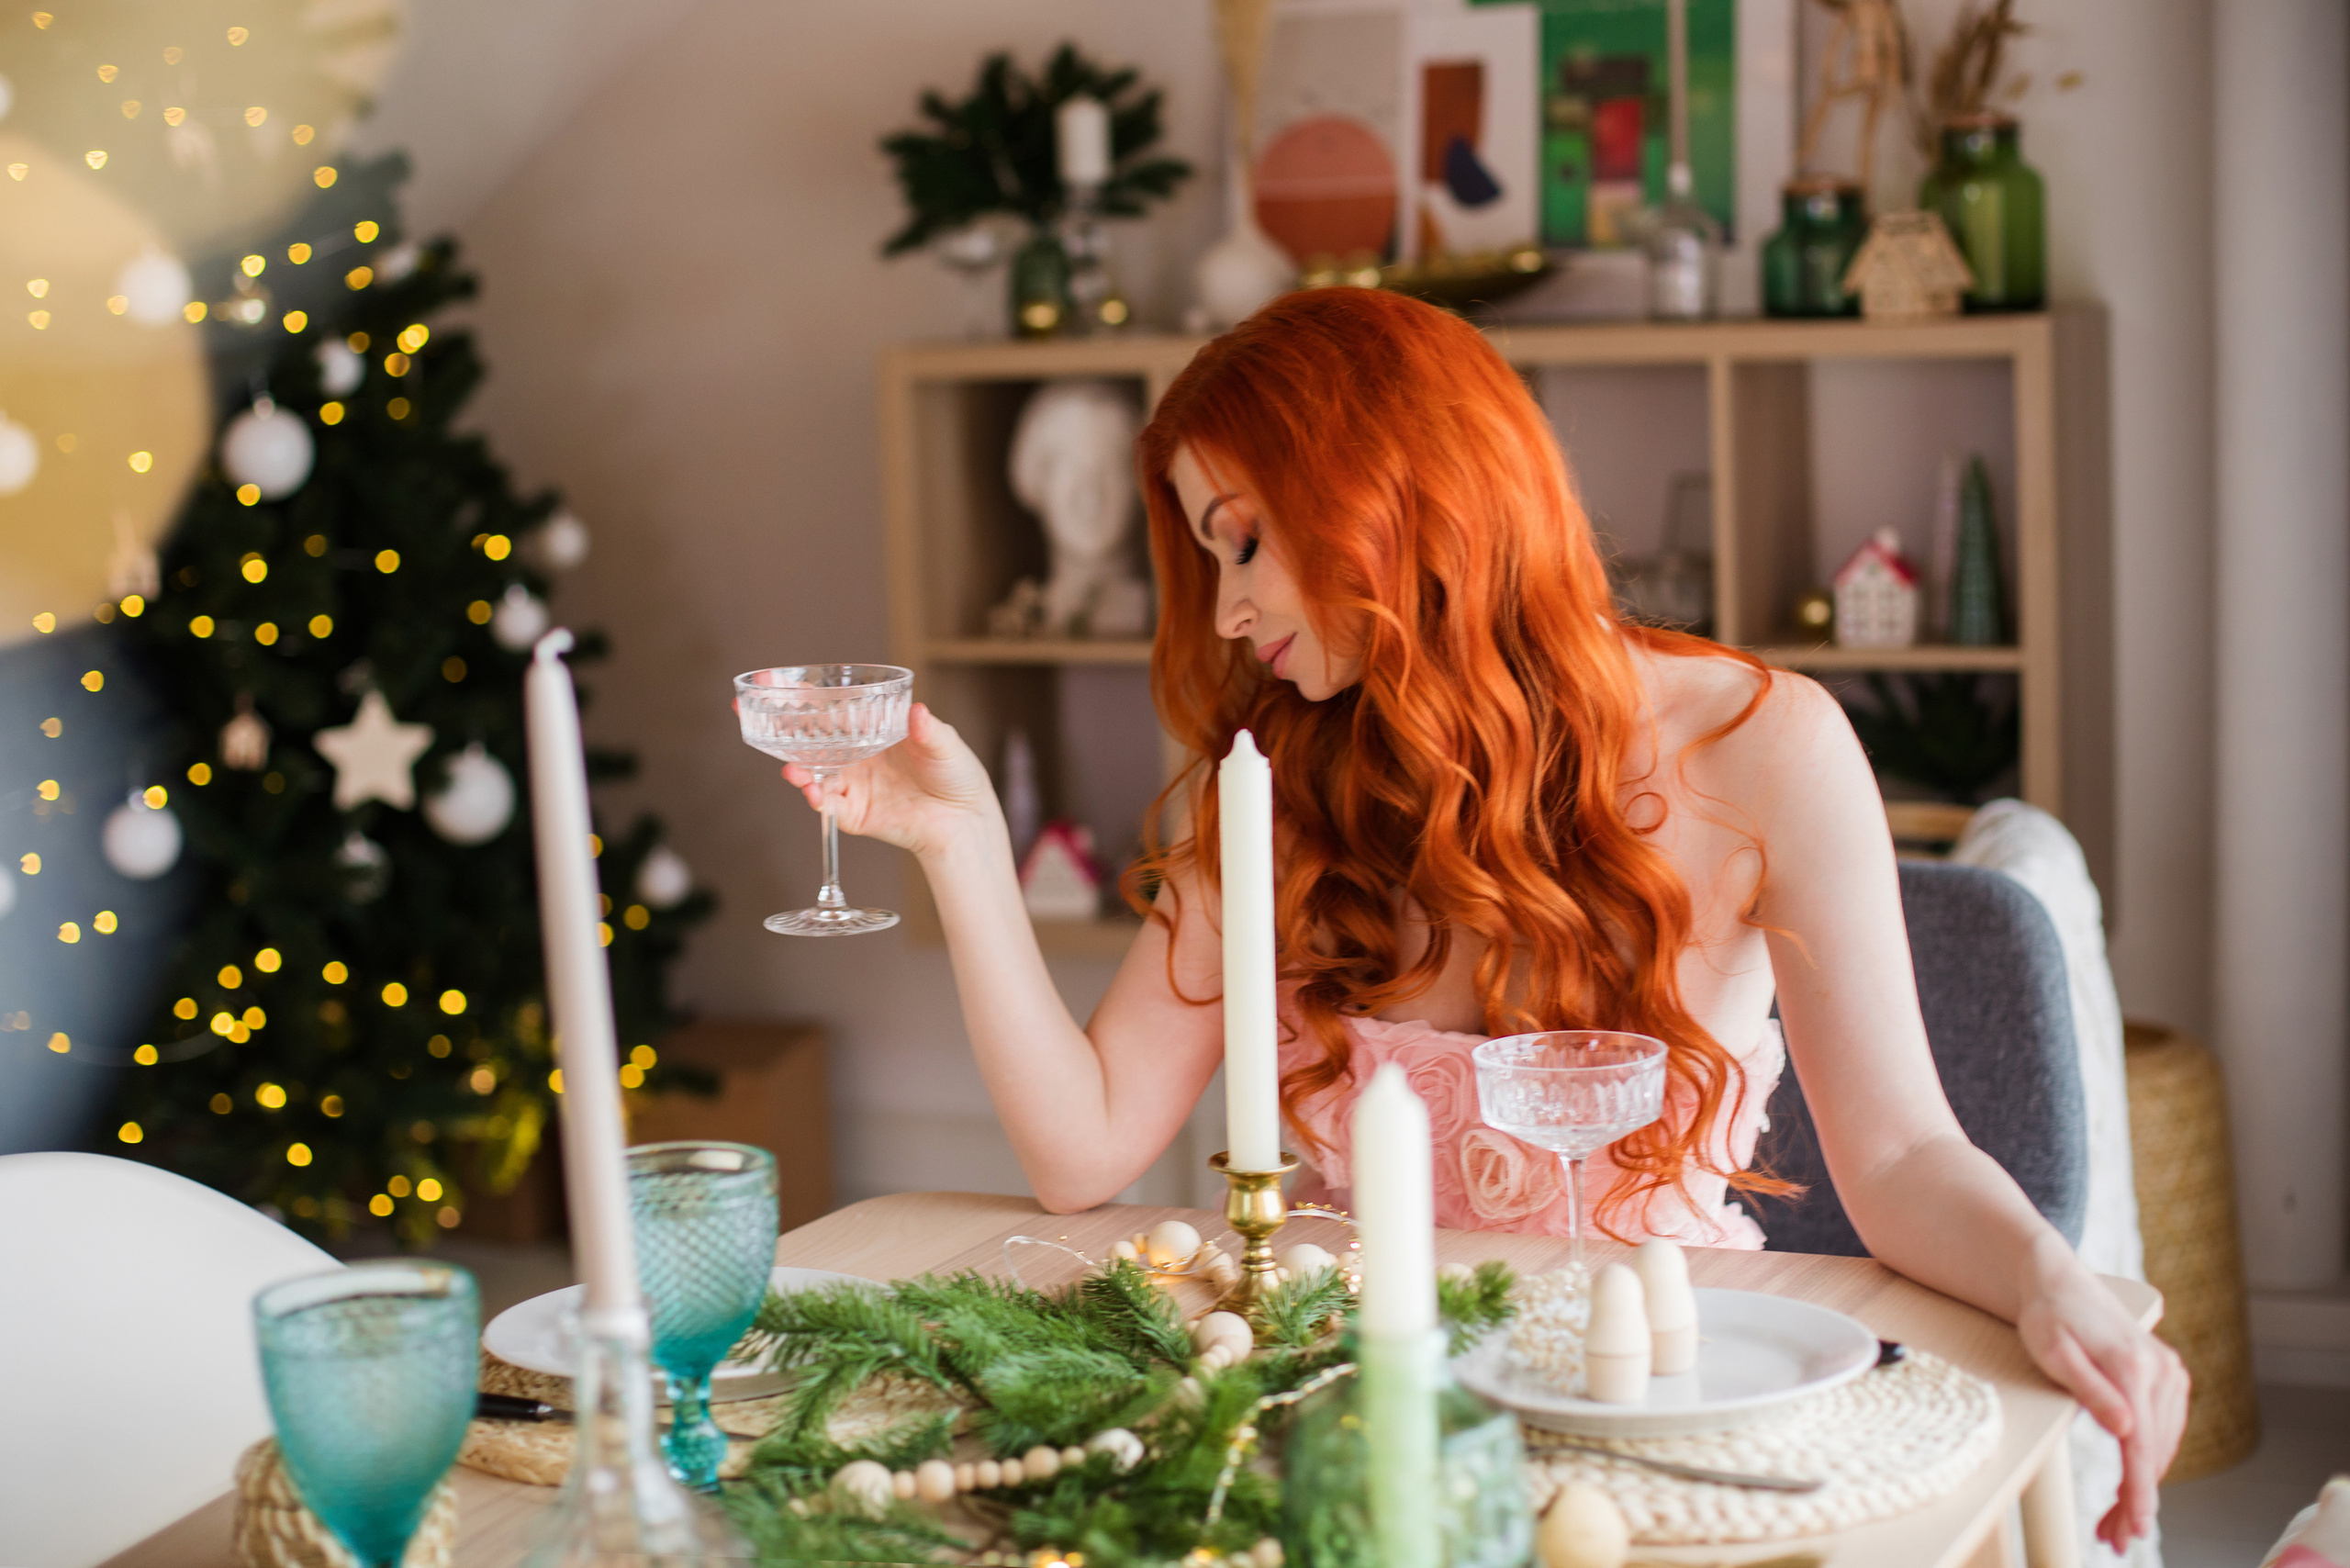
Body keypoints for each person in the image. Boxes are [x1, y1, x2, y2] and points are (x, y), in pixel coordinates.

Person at [781, 288, 2184, 1547]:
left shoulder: (1766, 749)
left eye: (1247, 540)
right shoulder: (1272, 782)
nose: (1221, 612)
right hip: (1355, 1425)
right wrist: (961, 848)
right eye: (1209, 558)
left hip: (1663, 1416)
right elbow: (1083, 1153)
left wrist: (2056, 1279)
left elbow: (1900, 1155)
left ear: (1392, 489)